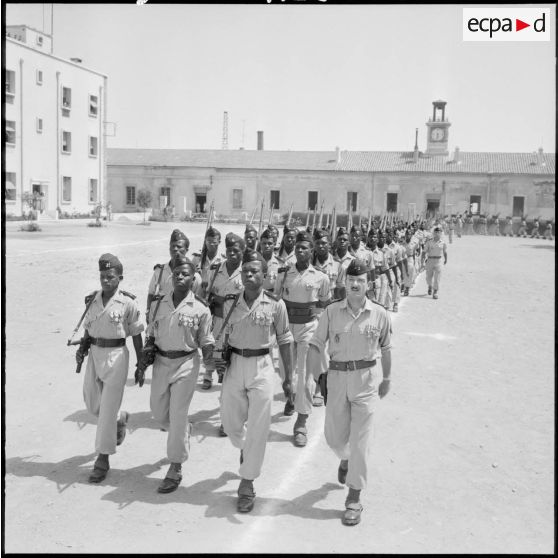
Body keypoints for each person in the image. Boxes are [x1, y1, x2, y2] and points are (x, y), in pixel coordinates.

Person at [307, 258, 392, 526]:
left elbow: (387, 347)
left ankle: (354, 496)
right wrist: (317, 375)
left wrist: (387, 377)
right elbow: (315, 344)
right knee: (334, 437)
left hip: (366, 381)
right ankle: (344, 459)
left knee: (361, 441)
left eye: (361, 280)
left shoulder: (379, 313)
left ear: (368, 283)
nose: (355, 284)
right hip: (337, 378)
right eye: (351, 280)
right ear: (344, 283)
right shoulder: (331, 312)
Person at [218, 249, 294, 513]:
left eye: (255, 271)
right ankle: (245, 447)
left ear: (265, 275)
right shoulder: (230, 302)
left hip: (262, 366)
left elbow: (285, 340)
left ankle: (247, 482)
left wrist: (288, 378)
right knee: (230, 424)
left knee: (259, 427)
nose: (249, 275)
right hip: (235, 364)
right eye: (246, 271)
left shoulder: (276, 304)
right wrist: (217, 358)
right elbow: (222, 336)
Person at [143, 253, 216, 493]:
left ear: (194, 278)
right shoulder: (158, 303)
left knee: (177, 414)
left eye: (185, 274)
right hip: (162, 363)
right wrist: (146, 353)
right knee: (158, 412)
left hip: (186, 363)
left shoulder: (201, 308)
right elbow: (151, 333)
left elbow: (205, 338)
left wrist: (210, 360)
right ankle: (183, 429)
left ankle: (175, 467)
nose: (180, 277)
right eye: (176, 274)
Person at [75, 253, 144, 483]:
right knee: (93, 405)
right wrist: (83, 349)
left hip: (116, 357)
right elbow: (88, 328)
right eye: (102, 276)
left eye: (110, 276)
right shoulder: (91, 300)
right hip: (94, 354)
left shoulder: (128, 303)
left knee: (104, 413)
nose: (105, 280)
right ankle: (119, 418)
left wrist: (140, 363)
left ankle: (102, 459)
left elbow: (136, 335)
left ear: (120, 277)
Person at [274, 230, 330, 446]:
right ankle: (290, 396)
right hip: (287, 329)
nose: (300, 250)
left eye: (305, 247)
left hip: (308, 328)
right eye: (297, 247)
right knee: (285, 374)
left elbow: (324, 304)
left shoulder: (321, 277)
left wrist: (316, 324)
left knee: (305, 376)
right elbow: (278, 301)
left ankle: (301, 422)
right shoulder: (284, 274)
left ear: (311, 250)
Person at [203, 233, 245, 394]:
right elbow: (209, 294)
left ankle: (230, 391)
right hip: (218, 320)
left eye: (236, 250)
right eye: (229, 250)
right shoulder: (215, 270)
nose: (232, 254)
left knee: (234, 357)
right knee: (217, 353)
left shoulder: (246, 271)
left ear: (243, 251)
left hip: (238, 321)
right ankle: (214, 375)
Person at [146, 229, 202, 323]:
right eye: (173, 246)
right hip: (161, 317)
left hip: (184, 319)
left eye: (179, 246)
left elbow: (198, 299)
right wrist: (148, 312)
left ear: (186, 250)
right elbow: (151, 293)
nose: (175, 249)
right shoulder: (159, 271)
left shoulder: (194, 276)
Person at [190, 226, 223, 299]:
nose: (211, 244)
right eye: (208, 241)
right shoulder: (197, 258)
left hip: (214, 297)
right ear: (205, 241)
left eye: (214, 242)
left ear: (219, 242)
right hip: (197, 296)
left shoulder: (222, 261)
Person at [424, 226, 448, 299]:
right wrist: (423, 259)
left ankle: (435, 292)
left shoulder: (443, 243)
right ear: (433, 233)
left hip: (438, 261)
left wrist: (446, 259)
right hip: (430, 260)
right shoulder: (429, 242)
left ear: (441, 233)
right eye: (436, 232)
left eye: (439, 232)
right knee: (428, 277)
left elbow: (445, 252)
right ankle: (430, 286)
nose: (437, 233)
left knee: (437, 277)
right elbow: (424, 251)